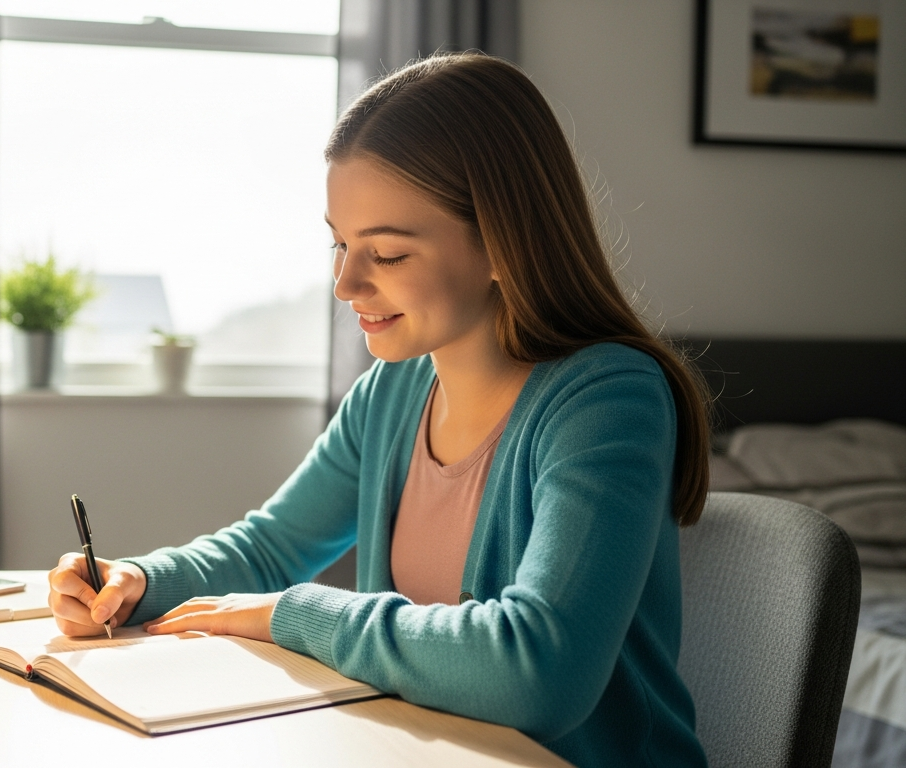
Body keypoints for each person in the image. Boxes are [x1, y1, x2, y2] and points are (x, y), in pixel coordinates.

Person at [48, 52, 711, 767]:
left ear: (502, 244)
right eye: (339, 243)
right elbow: (272, 548)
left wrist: (289, 616)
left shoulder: (607, 398)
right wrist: (139, 582)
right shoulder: (391, 394)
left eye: (387, 255)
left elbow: (539, 673)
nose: (345, 284)